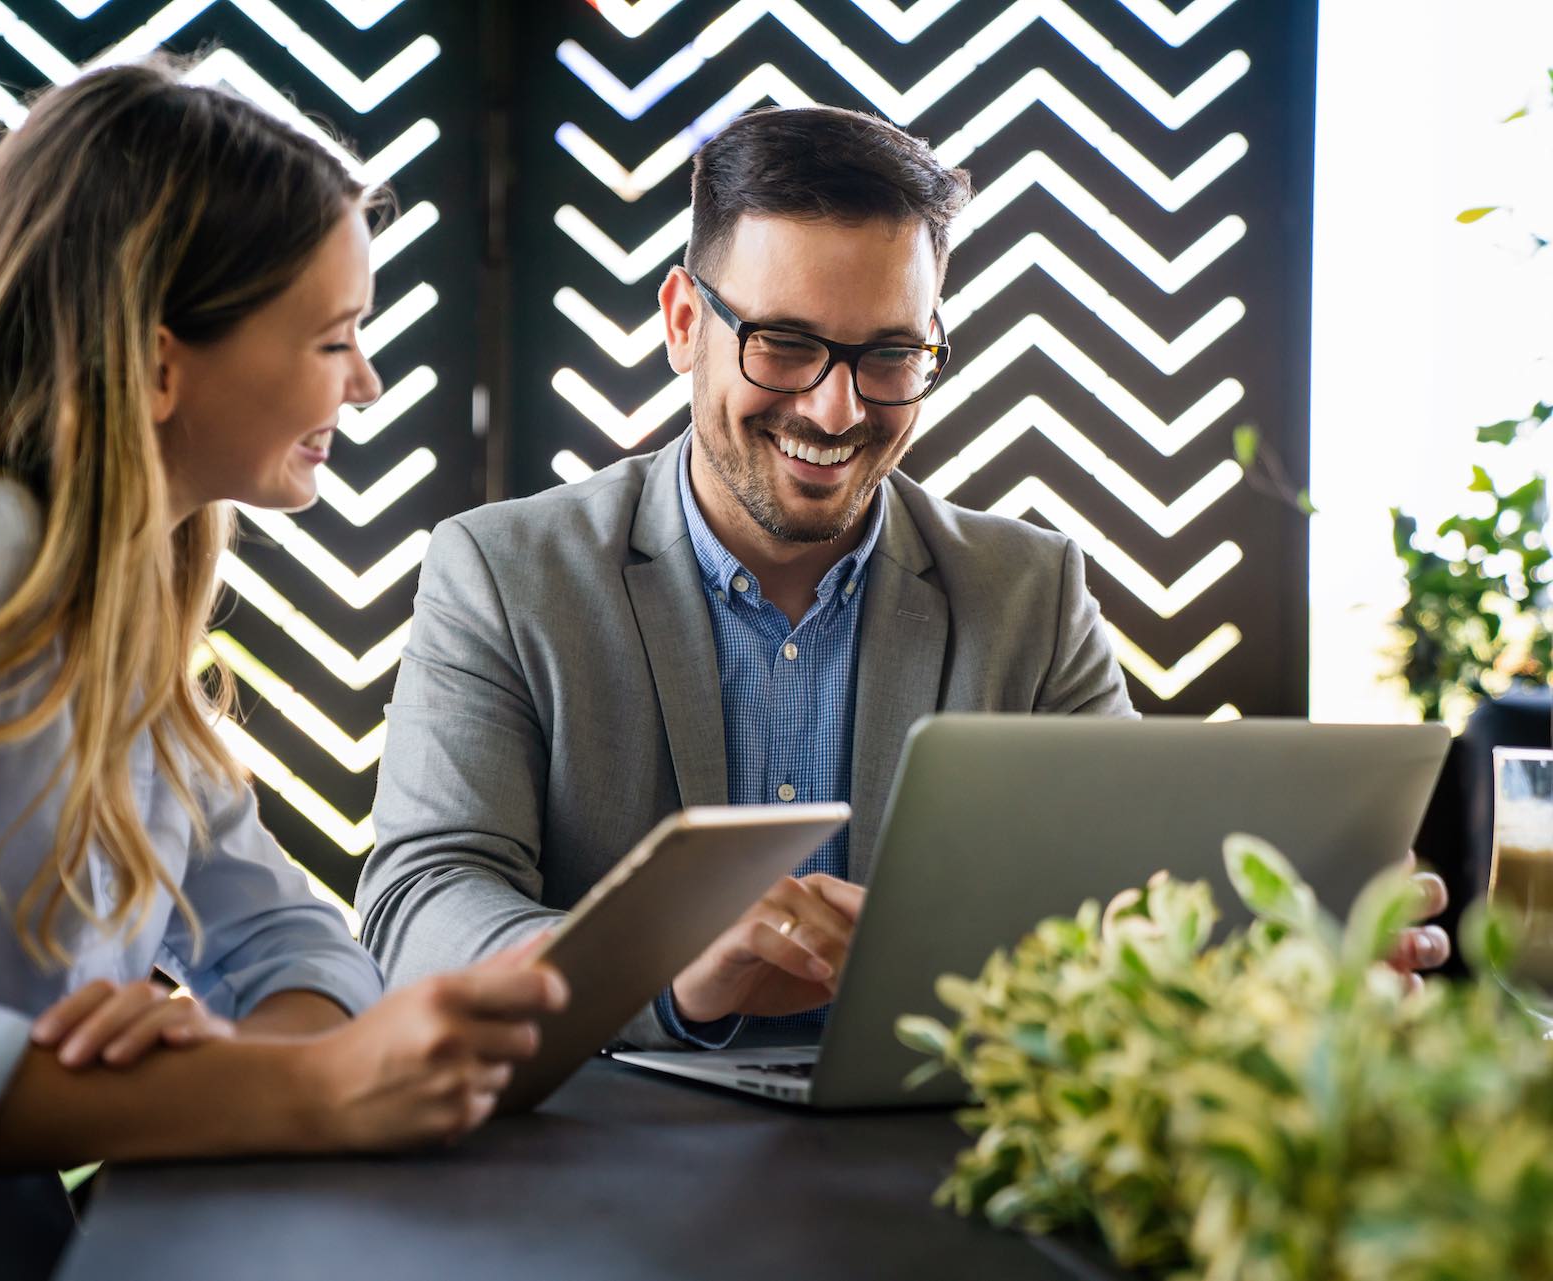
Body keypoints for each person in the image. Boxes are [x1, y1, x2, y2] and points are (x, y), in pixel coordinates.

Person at [0, 62, 564, 1281]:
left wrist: (252, 1069)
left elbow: (296, 945)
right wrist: (291, 1090)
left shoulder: (119, 600)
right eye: (334, 338)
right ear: (161, 360)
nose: (366, 382)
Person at [354, 104, 1449, 1050]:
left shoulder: (1031, 592)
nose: (836, 411)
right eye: (784, 344)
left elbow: (1121, 902)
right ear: (686, 324)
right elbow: (419, 909)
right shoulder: (503, 571)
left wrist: (1286, 956)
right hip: (598, 1173)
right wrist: (665, 970)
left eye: (890, 356)